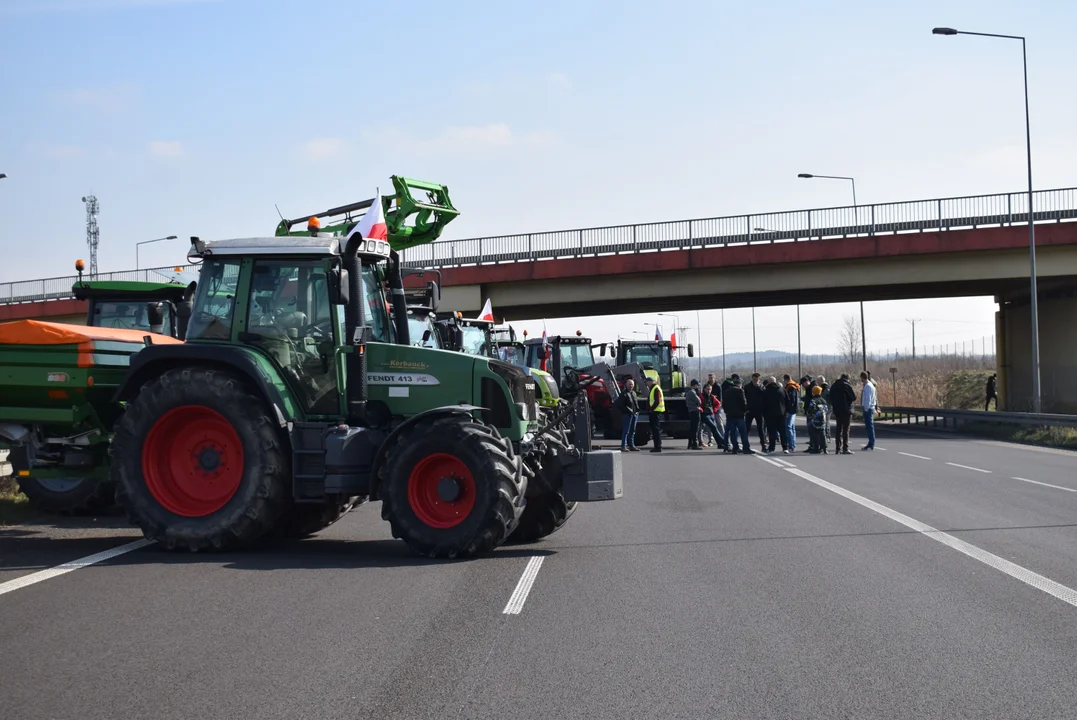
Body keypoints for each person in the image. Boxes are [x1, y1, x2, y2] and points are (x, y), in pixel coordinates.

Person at [723, 376, 753, 454]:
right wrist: (745, 410)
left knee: (732, 432)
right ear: (739, 384)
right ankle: (746, 448)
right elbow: (744, 402)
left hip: (730, 415)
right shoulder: (740, 391)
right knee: (743, 432)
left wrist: (727, 412)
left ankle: (735, 448)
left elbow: (724, 404)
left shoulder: (727, 391)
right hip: (739, 415)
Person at [829, 373, 857, 455]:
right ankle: (845, 448)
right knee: (846, 429)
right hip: (846, 410)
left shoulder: (834, 386)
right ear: (847, 379)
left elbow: (830, 397)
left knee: (838, 429)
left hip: (837, 410)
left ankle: (837, 448)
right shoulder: (846, 385)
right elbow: (853, 397)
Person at [762, 376, 788, 454]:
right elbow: (787, 401)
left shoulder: (766, 391)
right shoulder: (782, 390)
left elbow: (763, 404)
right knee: (783, 432)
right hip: (781, 414)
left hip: (770, 415)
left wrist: (764, 414)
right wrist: (786, 411)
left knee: (771, 432)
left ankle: (771, 448)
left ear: (769, 382)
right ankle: (785, 447)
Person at [700, 382, 725, 451]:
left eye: (710, 389)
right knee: (713, 427)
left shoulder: (712, 396)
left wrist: (714, 409)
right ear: (704, 389)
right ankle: (722, 440)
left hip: (711, 414)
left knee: (714, 428)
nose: (709, 391)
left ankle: (719, 444)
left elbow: (718, 403)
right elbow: (698, 404)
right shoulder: (701, 396)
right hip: (704, 415)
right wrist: (701, 409)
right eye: (707, 389)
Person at [616, 378, 641, 452]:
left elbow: (635, 403)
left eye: (632, 384)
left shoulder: (633, 393)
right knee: (626, 431)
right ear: (626, 385)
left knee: (632, 431)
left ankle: (631, 445)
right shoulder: (623, 394)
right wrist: (628, 411)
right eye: (629, 384)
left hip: (634, 414)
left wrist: (637, 411)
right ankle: (623, 446)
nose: (631, 386)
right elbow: (621, 405)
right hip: (627, 415)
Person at [744, 373, 766, 449]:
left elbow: (765, 397)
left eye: (757, 379)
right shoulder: (747, 387)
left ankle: (763, 444)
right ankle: (745, 445)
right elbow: (744, 398)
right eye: (754, 379)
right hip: (750, 410)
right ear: (752, 379)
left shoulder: (762, 387)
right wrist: (746, 408)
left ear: (759, 380)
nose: (755, 381)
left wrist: (759, 388)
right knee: (747, 428)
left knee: (761, 428)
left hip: (759, 411)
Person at [807, 386, 830, 454]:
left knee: (815, 434)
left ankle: (816, 448)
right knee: (822, 434)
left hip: (815, 419)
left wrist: (810, 415)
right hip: (823, 419)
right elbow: (826, 409)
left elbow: (811, 410)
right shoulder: (823, 400)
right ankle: (824, 448)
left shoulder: (813, 400)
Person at [645, 376, 664, 453]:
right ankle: (657, 446)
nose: (647, 384)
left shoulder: (655, 388)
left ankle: (658, 446)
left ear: (651, 382)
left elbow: (657, 401)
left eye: (647, 382)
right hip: (655, 411)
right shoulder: (654, 388)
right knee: (655, 430)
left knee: (655, 430)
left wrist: (651, 409)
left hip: (655, 412)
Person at [860, 371, 877, 451]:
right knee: (869, 426)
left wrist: (865, 408)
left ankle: (871, 443)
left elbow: (868, 399)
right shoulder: (870, 385)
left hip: (869, 408)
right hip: (871, 408)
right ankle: (870, 442)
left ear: (863, 378)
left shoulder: (867, 386)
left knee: (870, 426)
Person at [783, 374, 801, 453]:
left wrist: (787, 410)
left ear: (786, 379)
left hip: (790, 410)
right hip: (794, 410)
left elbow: (791, 400)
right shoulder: (794, 386)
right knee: (792, 428)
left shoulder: (790, 387)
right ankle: (792, 444)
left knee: (788, 427)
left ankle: (791, 445)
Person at [685, 379, 703, 450]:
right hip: (695, 411)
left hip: (691, 411)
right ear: (694, 385)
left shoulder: (688, 392)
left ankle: (690, 443)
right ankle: (694, 444)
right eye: (697, 385)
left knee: (692, 428)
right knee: (695, 428)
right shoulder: (692, 392)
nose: (697, 386)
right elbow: (699, 401)